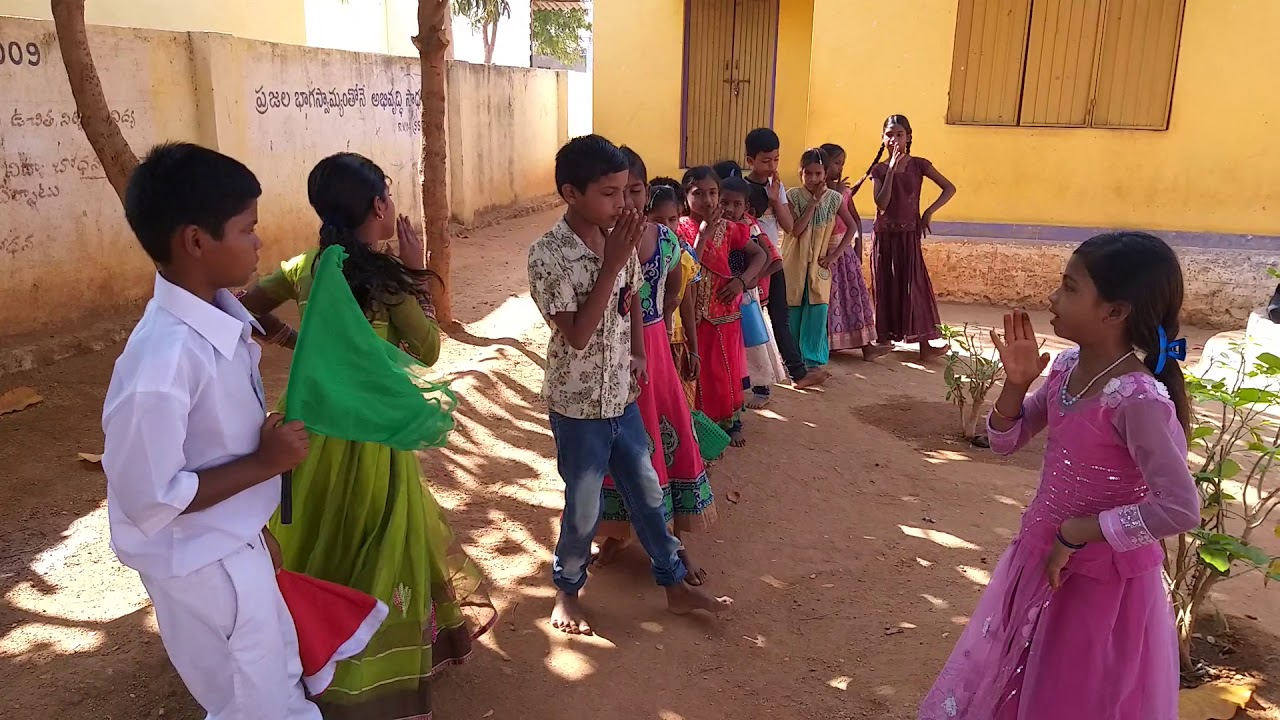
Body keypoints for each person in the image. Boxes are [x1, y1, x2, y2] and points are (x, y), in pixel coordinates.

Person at [238, 153, 495, 719]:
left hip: (311, 426)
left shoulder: (305, 267)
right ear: (379, 206)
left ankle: (307, 647)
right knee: (382, 532)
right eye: (389, 192)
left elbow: (244, 307)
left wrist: (290, 340)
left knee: (316, 529)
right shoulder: (386, 281)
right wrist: (418, 270)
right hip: (372, 433)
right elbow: (427, 349)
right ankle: (374, 658)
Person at [919, 232, 1200, 719]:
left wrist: (1079, 532)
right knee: (1017, 677)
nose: (1052, 298)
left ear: (1115, 312)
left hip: (1099, 580)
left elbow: (1179, 506)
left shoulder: (1136, 398)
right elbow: (1006, 441)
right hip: (1040, 554)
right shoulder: (1069, 366)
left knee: (1070, 691)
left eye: (1070, 288)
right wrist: (1016, 384)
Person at [102, 142, 319, 719]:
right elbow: (151, 498)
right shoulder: (162, 363)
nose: (259, 242)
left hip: (229, 543)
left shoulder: (221, 317)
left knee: (276, 672)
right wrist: (263, 465)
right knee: (255, 701)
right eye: (247, 229)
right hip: (200, 564)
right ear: (196, 241)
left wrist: (252, 525)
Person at [527, 135, 732, 635]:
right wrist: (614, 263)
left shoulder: (618, 236)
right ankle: (567, 590)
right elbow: (575, 335)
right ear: (570, 193)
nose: (623, 204)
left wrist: (639, 350)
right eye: (609, 193)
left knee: (647, 491)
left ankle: (674, 585)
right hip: (577, 407)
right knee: (583, 504)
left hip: (621, 396)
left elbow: (634, 294)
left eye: (626, 191)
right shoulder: (548, 255)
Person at [595, 148, 718, 585]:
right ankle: (615, 534)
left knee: (663, 437)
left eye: (636, 189)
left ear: (646, 192)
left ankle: (669, 537)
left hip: (655, 355)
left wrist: (673, 331)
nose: (628, 200)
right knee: (620, 447)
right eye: (618, 191)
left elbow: (680, 288)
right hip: (612, 357)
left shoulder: (666, 241)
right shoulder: (596, 242)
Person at [677, 165, 768, 447]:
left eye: (713, 193)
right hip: (692, 311)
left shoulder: (731, 228)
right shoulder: (680, 226)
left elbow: (760, 255)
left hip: (725, 310)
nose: (707, 200)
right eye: (698, 193)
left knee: (725, 371)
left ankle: (732, 423)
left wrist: (742, 282)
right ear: (685, 196)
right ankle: (697, 424)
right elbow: (687, 265)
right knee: (697, 370)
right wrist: (703, 235)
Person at [742, 128, 828, 389]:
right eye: (766, 160)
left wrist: (775, 199)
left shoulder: (776, 188)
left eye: (776, 159)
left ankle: (797, 373)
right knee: (750, 316)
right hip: (750, 260)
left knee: (780, 314)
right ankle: (752, 380)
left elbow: (790, 226)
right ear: (750, 161)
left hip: (773, 258)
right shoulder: (742, 189)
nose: (772, 166)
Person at [866, 114, 956, 361]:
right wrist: (892, 170)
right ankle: (884, 340)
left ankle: (925, 345)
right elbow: (881, 203)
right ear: (883, 138)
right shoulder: (879, 170)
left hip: (909, 235)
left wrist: (928, 211)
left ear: (909, 137)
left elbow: (949, 188)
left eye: (899, 134)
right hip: (885, 235)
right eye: (889, 134)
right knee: (886, 283)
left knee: (914, 286)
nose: (894, 139)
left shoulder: (920, 165)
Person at [781, 148, 860, 371]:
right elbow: (795, 230)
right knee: (793, 309)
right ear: (800, 173)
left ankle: (813, 360)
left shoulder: (834, 199)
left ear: (825, 174)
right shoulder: (793, 196)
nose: (813, 179)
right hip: (794, 263)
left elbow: (852, 226)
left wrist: (834, 256)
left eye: (818, 174)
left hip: (819, 264)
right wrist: (813, 203)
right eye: (808, 173)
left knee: (817, 309)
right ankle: (793, 359)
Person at [720, 174, 789, 408]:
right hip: (719, 294)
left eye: (736, 204)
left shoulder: (748, 227)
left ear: (746, 207)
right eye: (724, 202)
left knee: (753, 343)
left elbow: (772, 258)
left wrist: (749, 280)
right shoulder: (713, 226)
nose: (729, 209)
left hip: (744, 294)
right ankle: (733, 388)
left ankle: (761, 388)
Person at [820, 142, 887, 360]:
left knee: (856, 297)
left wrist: (858, 245)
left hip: (845, 251)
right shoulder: (817, 194)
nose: (840, 168)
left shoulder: (846, 192)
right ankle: (828, 344)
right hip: (825, 253)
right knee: (829, 299)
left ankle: (867, 345)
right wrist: (834, 195)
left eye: (842, 164)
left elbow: (854, 219)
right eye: (836, 163)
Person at [647, 179, 702, 407]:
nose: (666, 227)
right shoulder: (639, 255)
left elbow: (687, 305)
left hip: (677, 341)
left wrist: (695, 350)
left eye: (672, 220)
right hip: (651, 338)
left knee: (678, 403)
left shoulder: (684, 255)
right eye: (658, 220)